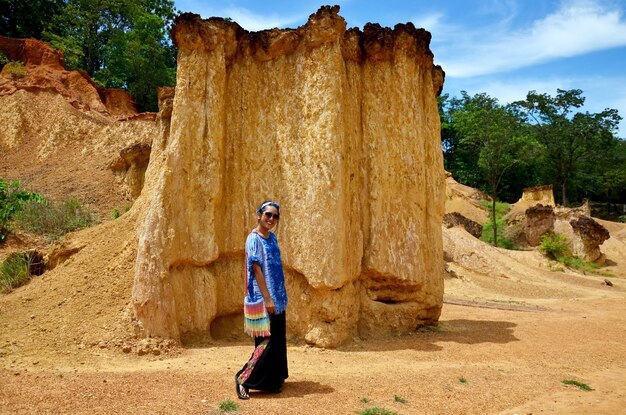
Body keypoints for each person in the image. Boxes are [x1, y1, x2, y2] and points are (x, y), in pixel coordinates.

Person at [235, 201, 288, 400]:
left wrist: (278, 296)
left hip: (278, 298)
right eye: (268, 214)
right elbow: (256, 269)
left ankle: (271, 381)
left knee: (277, 341)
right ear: (259, 215)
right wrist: (267, 298)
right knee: (266, 342)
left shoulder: (272, 238)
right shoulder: (253, 239)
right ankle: (243, 379)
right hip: (265, 299)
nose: (271, 219)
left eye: (275, 216)